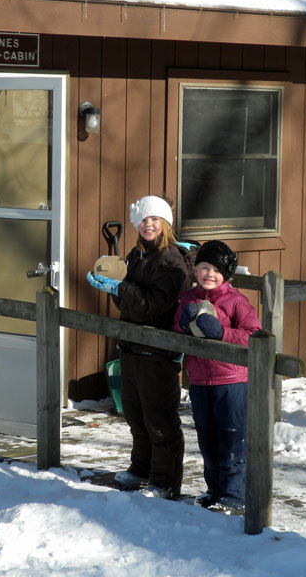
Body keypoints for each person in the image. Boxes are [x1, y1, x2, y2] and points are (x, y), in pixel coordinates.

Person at [86, 195, 190, 500]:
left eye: (155, 219)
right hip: (132, 346)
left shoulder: (171, 261)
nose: (149, 225)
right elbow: (128, 304)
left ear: (166, 224)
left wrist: (122, 288)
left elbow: (154, 306)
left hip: (157, 348)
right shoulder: (136, 255)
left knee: (159, 419)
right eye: (144, 220)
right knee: (136, 415)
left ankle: (165, 481)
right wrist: (112, 282)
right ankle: (141, 469)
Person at [173, 240, 261, 510]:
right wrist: (184, 324)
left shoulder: (236, 301)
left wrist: (221, 333)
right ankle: (214, 490)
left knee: (231, 440)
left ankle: (234, 496)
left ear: (226, 274)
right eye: (203, 268)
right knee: (207, 439)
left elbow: (253, 336)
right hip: (199, 381)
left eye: (215, 270)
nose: (208, 274)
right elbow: (176, 331)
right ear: (195, 270)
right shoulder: (189, 298)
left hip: (232, 382)